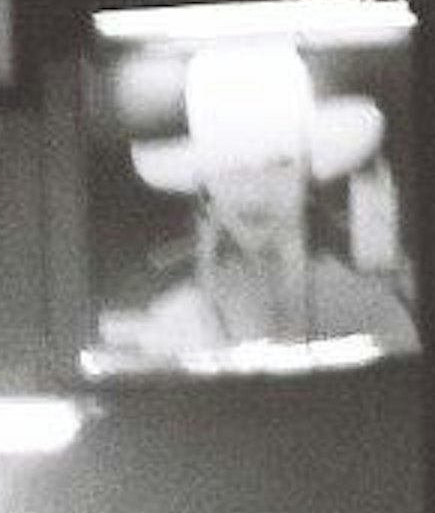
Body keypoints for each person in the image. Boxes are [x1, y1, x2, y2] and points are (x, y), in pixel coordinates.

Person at [126, 40, 418, 357]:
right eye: (232, 167)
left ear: (308, 172)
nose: (255, 192)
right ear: (206, 183)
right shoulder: (175, 327)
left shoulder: (368, 310)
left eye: (278, 165)